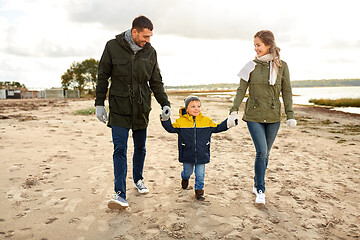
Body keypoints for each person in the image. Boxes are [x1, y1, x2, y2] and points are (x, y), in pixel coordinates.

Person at [95, 15, 171, 209]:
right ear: (134, 31)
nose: (148, 40)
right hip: (119, 108)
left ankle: (138, 179)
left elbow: (156, 81)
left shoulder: (150, 52)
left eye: (150, 37)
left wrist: (164, 102)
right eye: (145, 36)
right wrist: (99, 103)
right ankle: (120, 194)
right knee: (120, 149)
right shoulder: (112, 46)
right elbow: (103, 76)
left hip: (141, 108)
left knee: (140, 148)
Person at [228, 30, 297, 205]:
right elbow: (241, 90)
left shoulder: (282, 66)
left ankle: (256, 181)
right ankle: (260, 188)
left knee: (266, 155)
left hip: (274, 116)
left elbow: (287, 91)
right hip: (253, 115)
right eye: (255, 45)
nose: (255, 48)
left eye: (258, 45)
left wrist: (290, 115)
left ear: (268, 45)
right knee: (262, 152)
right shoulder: (250, 65)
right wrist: (233, 110)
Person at [161, 96, 237, 200]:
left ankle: (199, 192)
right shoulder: (180, 122)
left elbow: (218, 127)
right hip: (187, 153)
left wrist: (229, 123)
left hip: (202, 153)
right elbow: (170, 128)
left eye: (198, 106)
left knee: (200, 174)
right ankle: (184, 178)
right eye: (193, 106)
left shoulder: (206, 121)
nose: (196, 109)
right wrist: (165, 119)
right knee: (187, 171)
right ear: (186, 109)